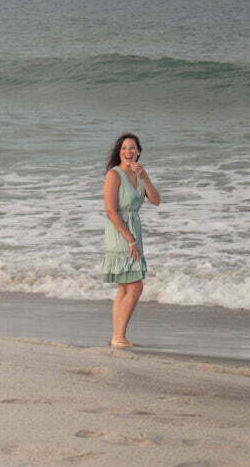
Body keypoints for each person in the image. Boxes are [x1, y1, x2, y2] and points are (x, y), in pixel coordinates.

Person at [102, 132, 161, 348]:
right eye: (124, 148)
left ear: (138, 152)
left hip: (134, 231)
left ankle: (117, 336)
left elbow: (156, 200)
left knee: (125, 288)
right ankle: (119, 337)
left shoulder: (138, 175)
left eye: (132, 148)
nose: (129, 152)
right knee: (135, 287)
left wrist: (145, 177)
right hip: (121, 233)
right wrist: (130, 240)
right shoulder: (114, 175)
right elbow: (110, 211)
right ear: (119, 151)